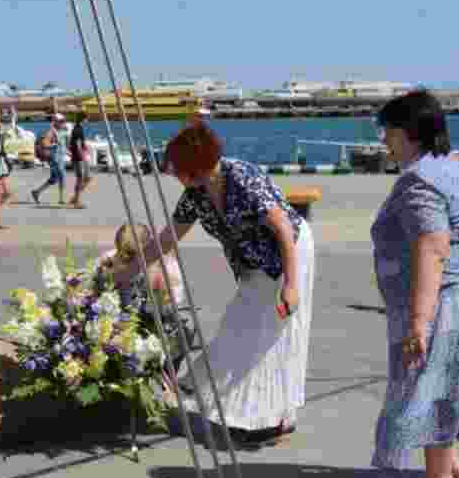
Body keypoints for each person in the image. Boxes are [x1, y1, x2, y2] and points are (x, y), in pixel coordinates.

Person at [114, 122, 314, 444]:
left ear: (195, 166)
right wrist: (130, 269)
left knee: (275, 334)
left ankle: (275, 419)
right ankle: (255, 416)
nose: (171, 173)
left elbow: (283, 230)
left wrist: (292, 285)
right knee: (241, 330)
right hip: (255, 264)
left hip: (289, 252)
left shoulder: (242, 178)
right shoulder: (195, 195)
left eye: (176, 168)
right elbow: (167, 239)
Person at [371, 91, 459, 478]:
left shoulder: (421, 179)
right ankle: (446, 463)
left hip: (444, 300)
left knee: (430, 384)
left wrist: (419, 322)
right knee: (449, 382)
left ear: (408, 132)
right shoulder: (450, 167)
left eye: (386, 128)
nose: (383, 137)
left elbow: (433, 248)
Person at [31, 114, 69, 205]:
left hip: (60, 157)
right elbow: (45, 144)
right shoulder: (51, 132)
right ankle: (62, 198)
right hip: (54, 158)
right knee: (62, 176)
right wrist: (54, 145)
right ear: (55, 122)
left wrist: (68, 152)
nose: (62, 123)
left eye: (63, 121)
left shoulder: (62, 130)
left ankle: (37, 192)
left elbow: (64, 145)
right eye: (60, 121)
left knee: (54, 178)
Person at [68, 112, 94, 208]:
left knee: (88, 178)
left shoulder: (78, 128)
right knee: (80, 179)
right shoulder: (77, 129)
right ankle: (77, 201)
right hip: (79, 158)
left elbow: (76, 143)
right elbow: (77, 144)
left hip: (80, 156)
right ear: (83, 119)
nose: (87, 120)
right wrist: (82, 156)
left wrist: (85, 148)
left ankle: (75, 198)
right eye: (86, 118)